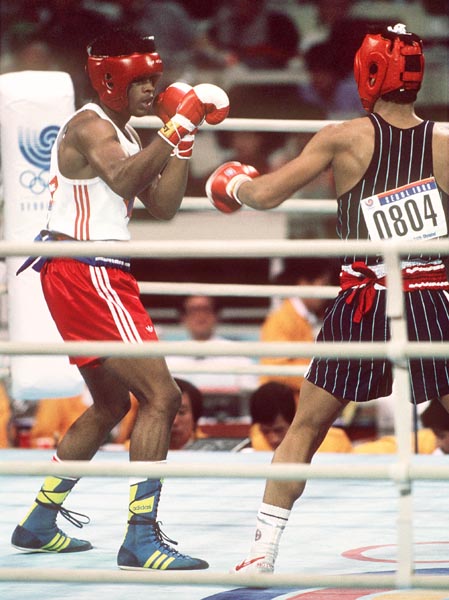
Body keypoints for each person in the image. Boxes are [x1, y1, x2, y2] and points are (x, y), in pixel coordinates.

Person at [205, 23, 449, 573]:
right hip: (432, 300)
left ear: (369, 74)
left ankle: (261, 556)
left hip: (363, 302)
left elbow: (266, 194)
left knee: (306, 429)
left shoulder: (343, 136)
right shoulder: (443, 141)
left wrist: (231, 183)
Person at [12, 28, 229, 570]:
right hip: (88, 270)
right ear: (111, 77)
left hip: (86, 271)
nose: (151, 90)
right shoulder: (89, 126)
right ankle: (140, 537)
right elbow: (124, 175)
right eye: (141, 81)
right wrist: (178, 121)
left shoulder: (129, 134)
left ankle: (39, 521)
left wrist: (184, 138)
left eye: (155, 81)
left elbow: (163, 205)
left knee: (112, 404)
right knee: (163, 397)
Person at [259, 258, 338, 400]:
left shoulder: (305, 319)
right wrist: (325, 379)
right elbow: (274, 369)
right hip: (285, 410)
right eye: (324, 284)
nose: (327, 292)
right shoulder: (281, 319)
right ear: (304, 283)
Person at [165, 295, 258, 393]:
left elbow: (247, 396)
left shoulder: (237, 355)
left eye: (205, 309)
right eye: (193, 310)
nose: (200, 316)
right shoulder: (169, 359)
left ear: (216, 315)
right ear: (183, 318)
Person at [249, 382, 352, 453]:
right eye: (265, 431)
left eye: (279, 430)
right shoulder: (258, 441)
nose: (273, 439)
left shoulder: (336, 442)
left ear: (294, 420)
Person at [116, 378, 205, 450]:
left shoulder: (212, 450)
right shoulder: (129, 451)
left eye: (181, 412)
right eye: (165, 413)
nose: (174, 421)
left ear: (195, 418)